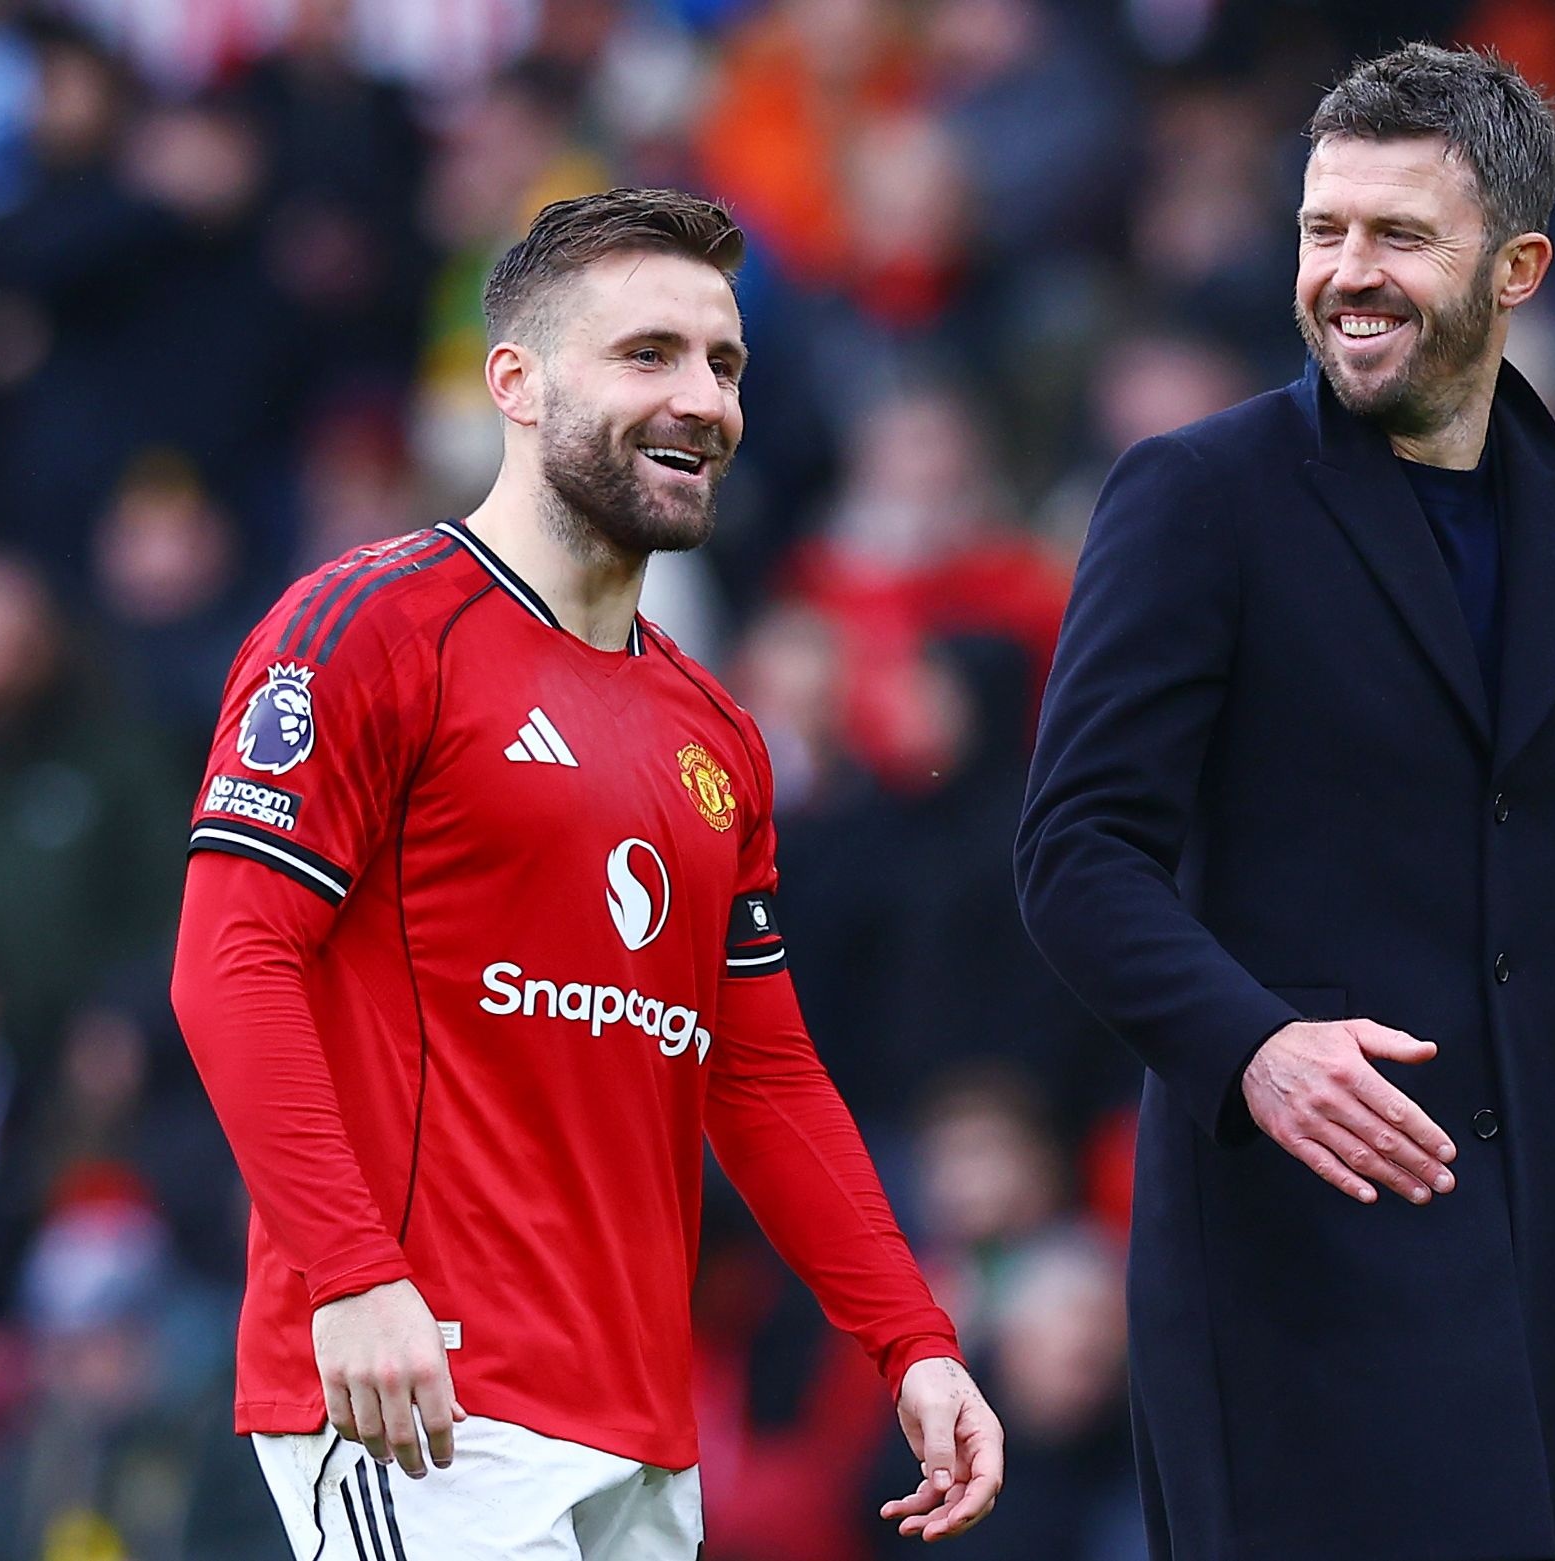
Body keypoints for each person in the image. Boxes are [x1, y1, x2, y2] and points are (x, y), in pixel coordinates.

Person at [1014, 45, 1555, 1561]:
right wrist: (1254, 1046)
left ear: (1516, 269)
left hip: (1526, 1262)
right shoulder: (1197, 495)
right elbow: (1073, 853)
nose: (1347, 273)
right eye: (1323, 229)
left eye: (1398, 236)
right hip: (1279, 1266)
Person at [170, 188, 1002, 1559]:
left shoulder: (714, 732)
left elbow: (759, 1073)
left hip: (634, 1422)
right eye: (647, 354)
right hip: (423, 1397)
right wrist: (351, 1273)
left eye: (724, 364)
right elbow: (230, 963)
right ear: (515, 381)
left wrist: (909, 1338)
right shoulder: (368, 627)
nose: (702, 399)